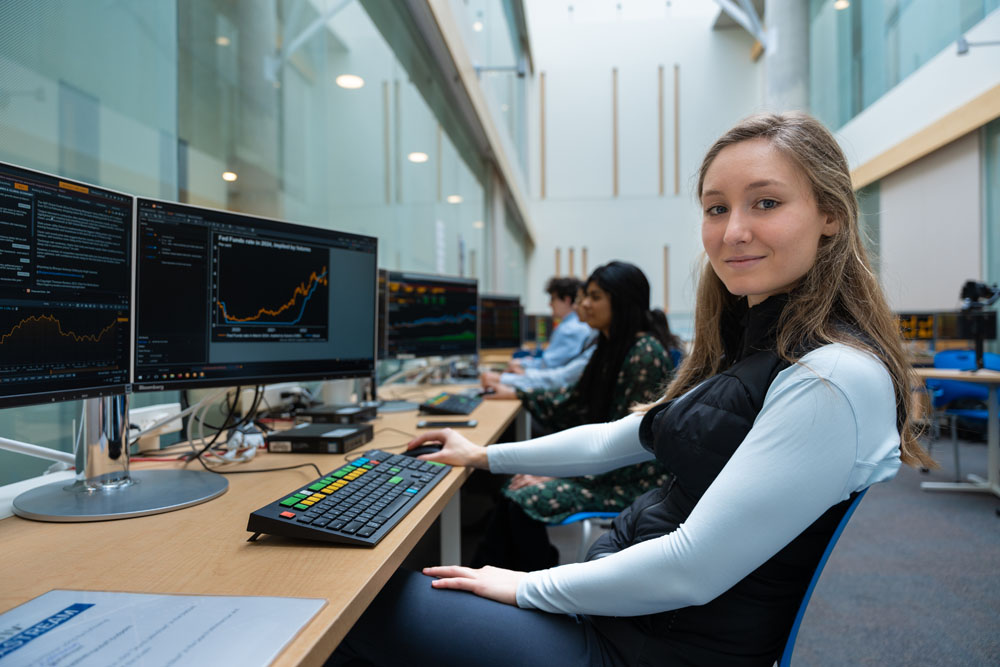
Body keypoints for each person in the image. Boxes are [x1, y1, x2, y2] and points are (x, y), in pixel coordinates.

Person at [329, 112, 935, 667]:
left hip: (645, 648)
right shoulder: (761, 347)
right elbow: (617, 439)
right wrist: (484, 454)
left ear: (830, 214)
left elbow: (693, 568)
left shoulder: (830, 377)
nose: (733, 232)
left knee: (340, 604)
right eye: (716, 208)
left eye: (766, 203)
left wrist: (524, 586)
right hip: (629, 616)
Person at [470, 262, 676, 570]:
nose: (583, 305)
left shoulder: (643, 354)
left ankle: (532, 579)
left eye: (594, 297)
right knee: (515, 488)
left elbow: (626, 446)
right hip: (609, 466)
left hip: (631, 477)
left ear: (620, 301)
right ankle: (489, 576)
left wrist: (558, 471)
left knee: (523, 496)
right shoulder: (610, 345)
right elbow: (574, 404)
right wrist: (521, 393)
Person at [480, 286, 596, 393]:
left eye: (553, 299)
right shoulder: (579, 329)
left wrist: (510, 376)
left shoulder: (571, 328)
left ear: (566, 300)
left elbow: (556, 371)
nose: (578, 306)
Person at [510, 276, 593, 372]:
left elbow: (548, 364)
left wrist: (521, 363)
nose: (550, 304)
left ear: (567, 300)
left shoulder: (569, 329)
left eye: (553, 299)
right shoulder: (575, 324)